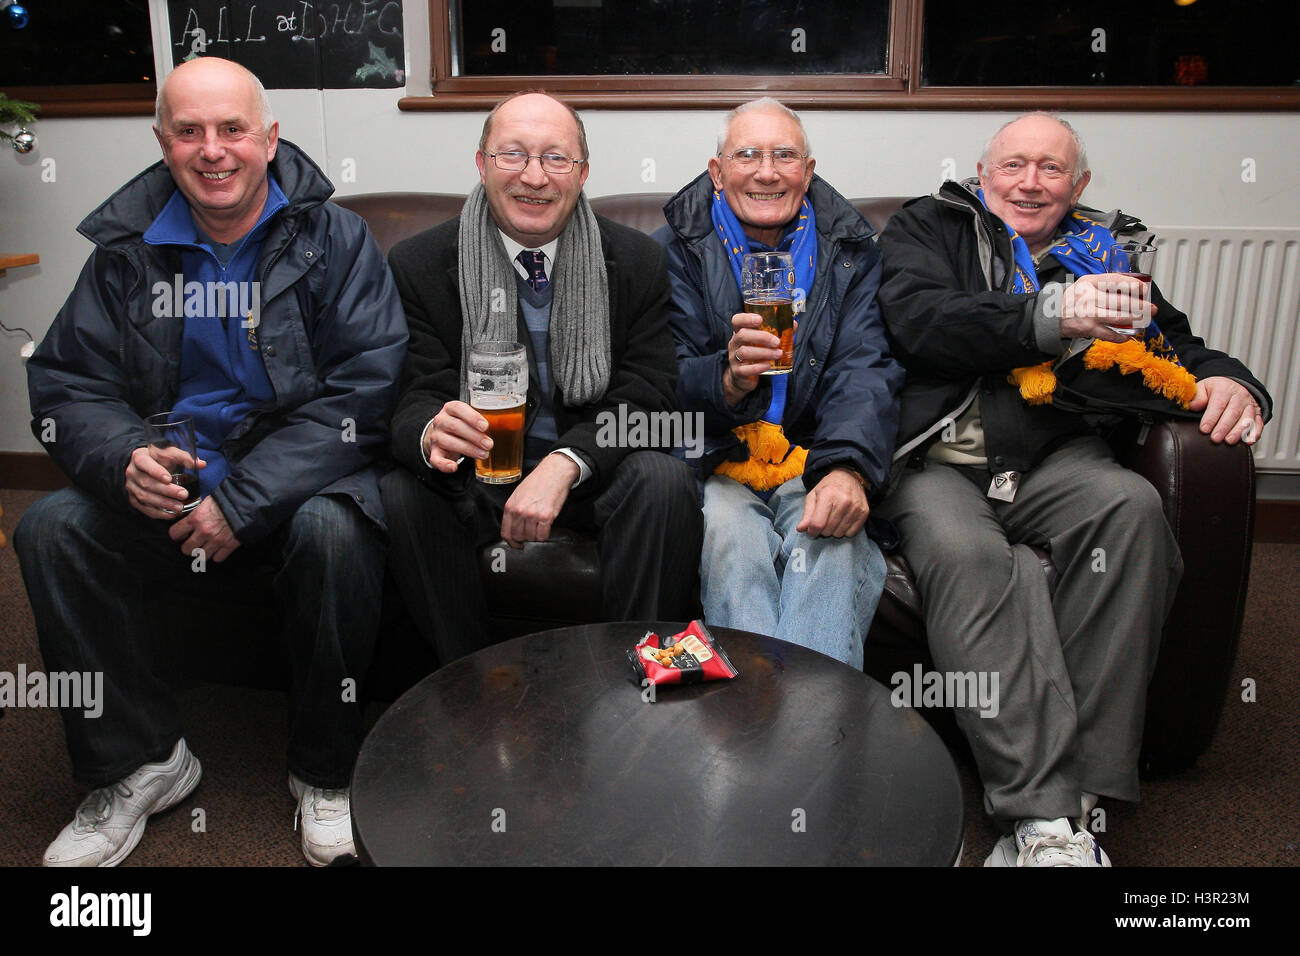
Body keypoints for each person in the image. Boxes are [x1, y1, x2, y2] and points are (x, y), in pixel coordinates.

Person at [13, 57, 406, 867]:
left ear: (269, 139)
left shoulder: (335, 238)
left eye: (232, 129)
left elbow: (366, 392)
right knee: (49, 528)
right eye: (189, 131)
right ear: (163, 143)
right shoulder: (124, 252)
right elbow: (63, 384)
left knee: (339, 533)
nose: (212, 150)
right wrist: (123, 455)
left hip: (298, 479)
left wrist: (245, 500)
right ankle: (141, 762)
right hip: (169, 474)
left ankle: (326, 770)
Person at [876, 111, 1271, 866]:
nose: (1030, 183)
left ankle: (1072, 812)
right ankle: (1039, 809)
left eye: (1051, 169)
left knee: (1133, 509)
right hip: (940, 461)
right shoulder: (929, 227)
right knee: (970, 555)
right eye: (1014, 165)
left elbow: (1171, 340)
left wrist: (1231, 378)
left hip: (1057, 456)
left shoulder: (1104, 247)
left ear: (1079, 185)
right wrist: (1055, 315)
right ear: (982, 174)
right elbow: (920, 322)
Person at [380, 91, 701, 665]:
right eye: (513, 156)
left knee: (664, 480)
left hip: (592, 473)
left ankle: (640, 678)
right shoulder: (420, 263)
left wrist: (564, 465)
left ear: (582, 174)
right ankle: (468, 683)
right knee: (405, 490)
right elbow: (413, 392)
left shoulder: (636, 260)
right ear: (482, 164)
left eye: (556, 158)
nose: (535, 176)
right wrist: (430, 431)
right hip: (480, 470)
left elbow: (652, 396)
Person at [655, 97, 903, 668]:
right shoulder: (672, 250)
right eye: (747, 154)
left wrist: (845, 468)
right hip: (717, 459)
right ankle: (778, 729)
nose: (766, 172)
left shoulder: (853, 251)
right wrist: (726, 379)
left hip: (811, 454)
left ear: (808, 171)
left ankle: (791, 734)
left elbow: (865, 366)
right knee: (730, 540)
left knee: (833, 542)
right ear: (717, 172)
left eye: (784, 156)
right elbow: (659, 376)